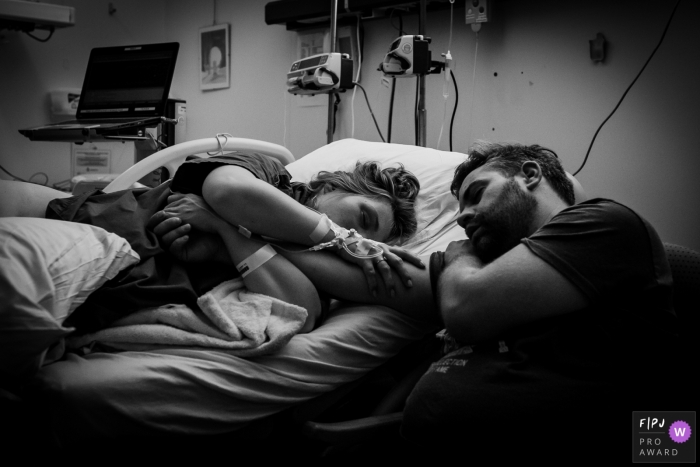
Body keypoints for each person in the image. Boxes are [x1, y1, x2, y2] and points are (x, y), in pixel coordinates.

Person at [156, 142, 683, 460]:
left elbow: (466, 307)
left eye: (476, 194)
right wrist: (241, 233)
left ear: (529, 174)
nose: (461, 218)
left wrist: (456, 256)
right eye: (457, 209)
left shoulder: (605, 223)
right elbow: (361, 280)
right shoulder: (488, 268)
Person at [0, 151, 423, 336]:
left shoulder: (291, 257)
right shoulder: (267, 173)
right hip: (56, 220)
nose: (358, 236)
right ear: (336, 184)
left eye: (369, 237)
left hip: (89, 290)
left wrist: (226, 238)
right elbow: (227, 192)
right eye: (362, 218)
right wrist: (342, 237)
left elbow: (304, 311)